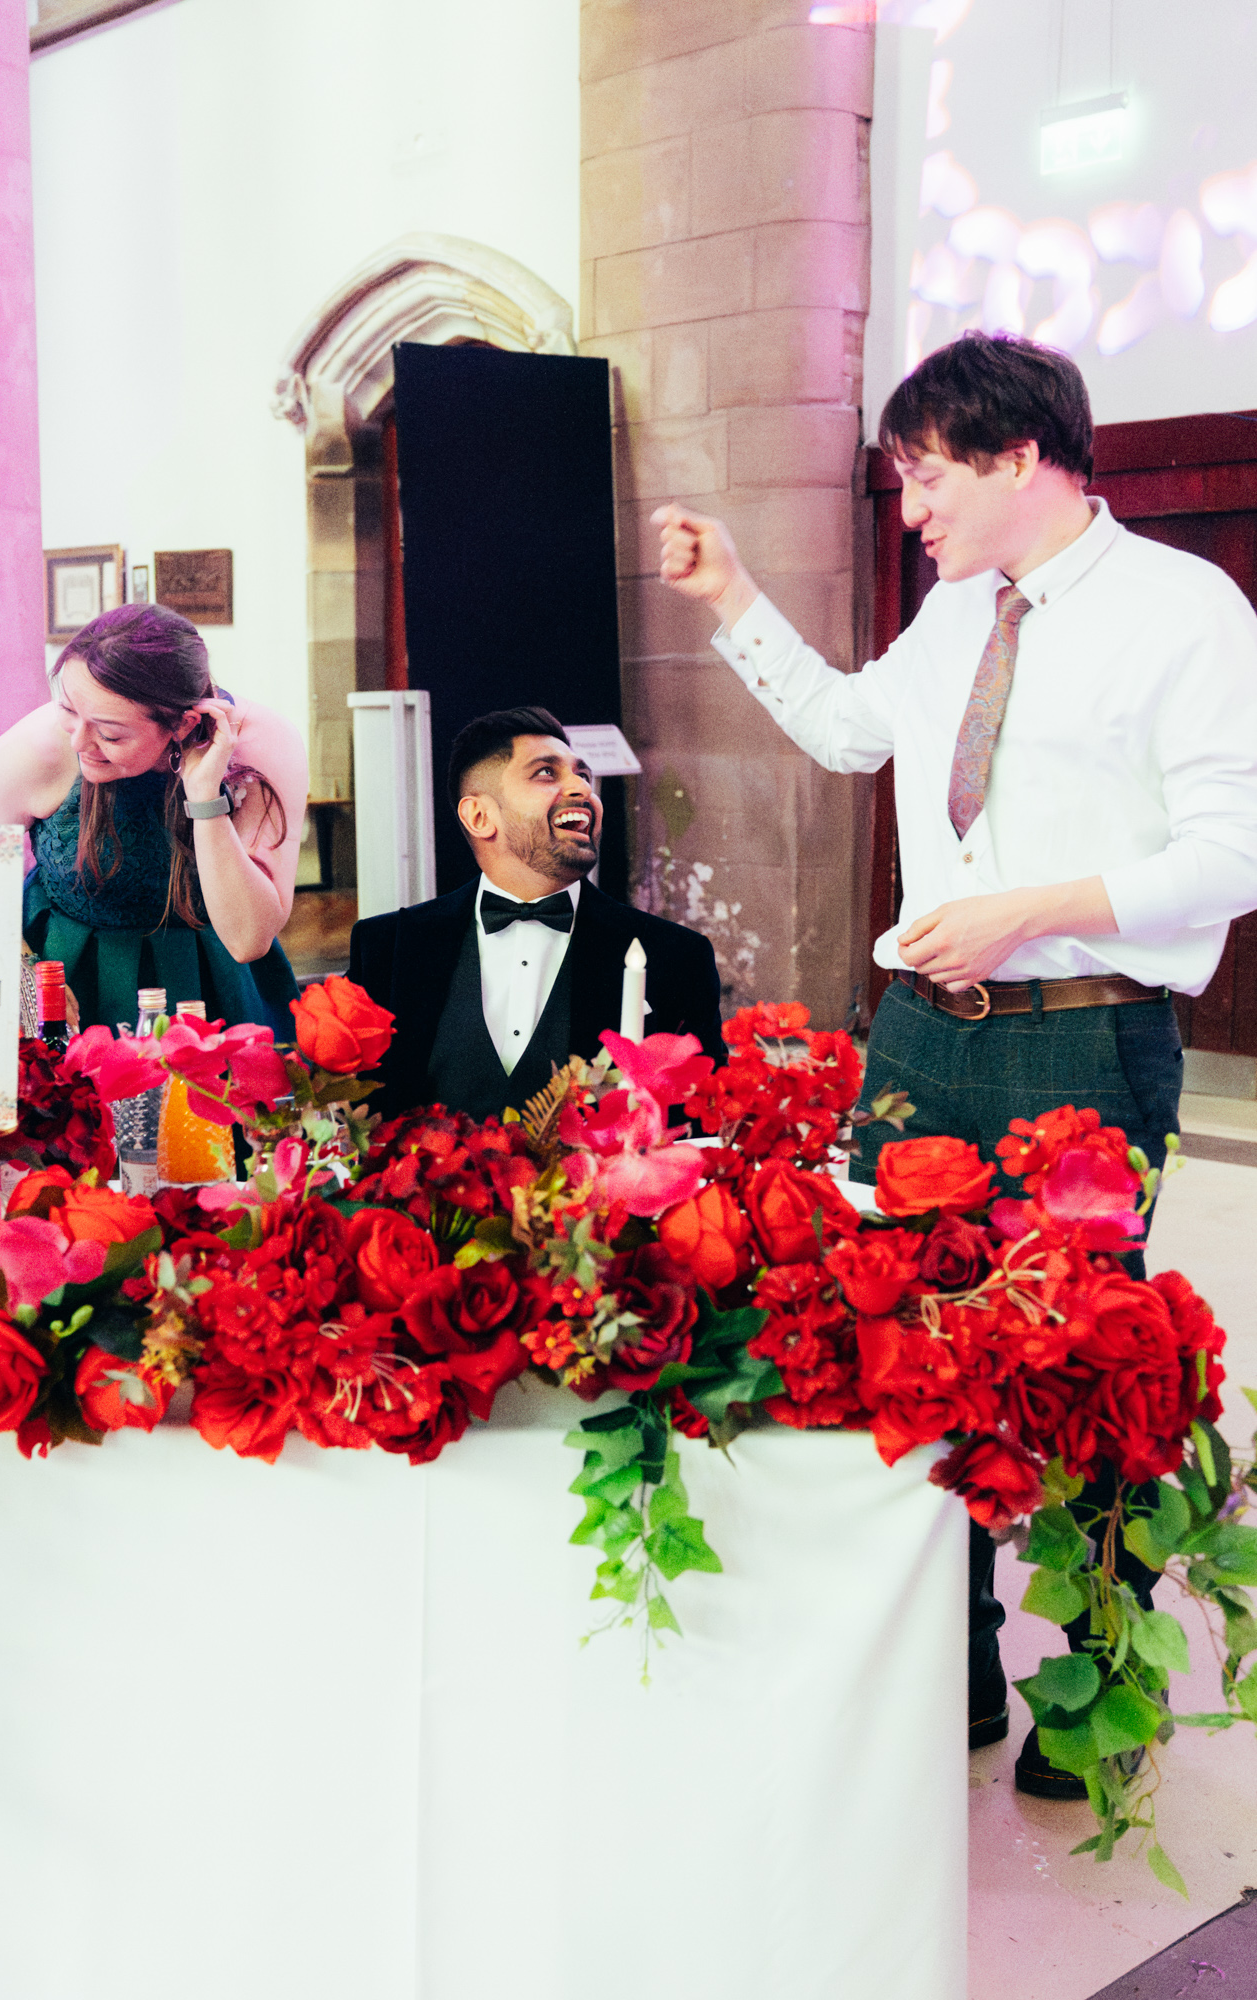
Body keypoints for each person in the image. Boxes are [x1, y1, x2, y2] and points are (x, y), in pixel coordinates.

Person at [654, 330, 1257, 1798]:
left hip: (1086, 1033)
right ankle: (956, 1670)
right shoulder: (951, 614)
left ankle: (1096, 1694)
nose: (909, 506)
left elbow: (1234, 854)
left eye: (925, 476)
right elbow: (845, 732)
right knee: (909, 1351)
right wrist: (730, 595)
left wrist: (1024, 912)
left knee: (1082, 1371)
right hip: (921, 1035)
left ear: (1018, 456)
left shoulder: (1184, 611)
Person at [348, 705, 724, 1121]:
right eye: (546, 773)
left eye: (584, 776)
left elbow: (703, 1119)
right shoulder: (388, 949)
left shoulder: (675, 958)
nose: (581, 788)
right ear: (480, 816)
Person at [0, 603, 307, 1038]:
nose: (79, 742)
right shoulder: (38, 746)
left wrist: (204, 797)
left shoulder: (262, 745)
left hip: (217, 992)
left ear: (183, 724)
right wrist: (21, 968)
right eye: (68, 709)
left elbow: (248, 939)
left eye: (110, 733)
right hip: (73, 988)